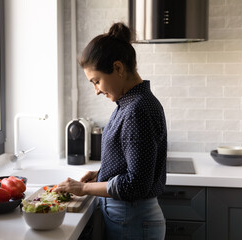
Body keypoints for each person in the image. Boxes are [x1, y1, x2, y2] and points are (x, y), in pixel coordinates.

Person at [54, 22, 167, 240]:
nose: (96, 90)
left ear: (118, 68)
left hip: (133, 220)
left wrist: (83, 188)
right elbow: (131, 165)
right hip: (131, 219)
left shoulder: (137, 109)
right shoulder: (130, 104)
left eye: (96, 81)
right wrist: (99, 175)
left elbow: (136, 185)